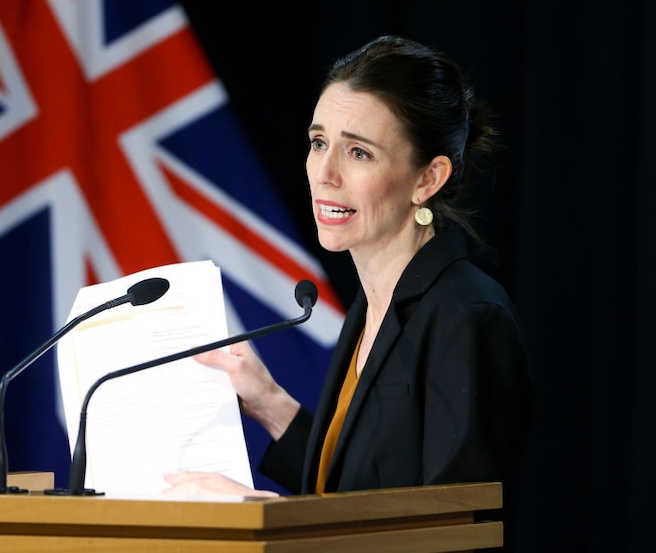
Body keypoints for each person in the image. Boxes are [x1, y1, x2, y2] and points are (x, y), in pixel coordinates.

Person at [164, 34, 534, 549]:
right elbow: (357, 488)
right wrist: (268, 401)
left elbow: (456, 534)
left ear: (428, 178)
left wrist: (266, 515)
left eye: (359, 152)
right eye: (319, 143)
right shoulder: (372, 305)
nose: (324, 173)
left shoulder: (465, 315)